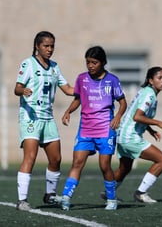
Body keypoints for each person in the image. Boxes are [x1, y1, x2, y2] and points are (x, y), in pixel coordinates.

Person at [60, 45, 127, 211]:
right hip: (86, 129)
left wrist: (118, 116)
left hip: (105, 129)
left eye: (94, 62)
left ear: (103, 62)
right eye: (88, 62)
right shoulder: (81, 79)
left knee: (104, 166)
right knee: (77, 162)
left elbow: (123, 102)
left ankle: (111, 199)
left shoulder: (112, 80)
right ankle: (66, 197)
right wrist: (68, 111)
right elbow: (78, 99)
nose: (90, 65)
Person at [15, 31, 74, 211]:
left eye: (52, 46)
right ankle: (22, 200)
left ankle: (49, 195)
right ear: (37, 46)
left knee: (56, 159)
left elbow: (68, 89)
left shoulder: (55, 67)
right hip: (31, 118)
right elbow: (17, 87)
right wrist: (23, 91)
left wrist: (87, 87)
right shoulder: (28, 64)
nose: (49, 49)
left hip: (48, 119)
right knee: (30, 157)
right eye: (46, 46)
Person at [110, 66, 162, 204]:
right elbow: (137, 116)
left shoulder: (147, 92)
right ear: (150, 80)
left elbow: (136, 116)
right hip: (130, 136)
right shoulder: (149, 94)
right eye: (159, 78)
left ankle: (108, 193)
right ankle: (141, 192)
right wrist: (158, 123)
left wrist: (150, 131)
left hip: (123, 135)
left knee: (125, 168)